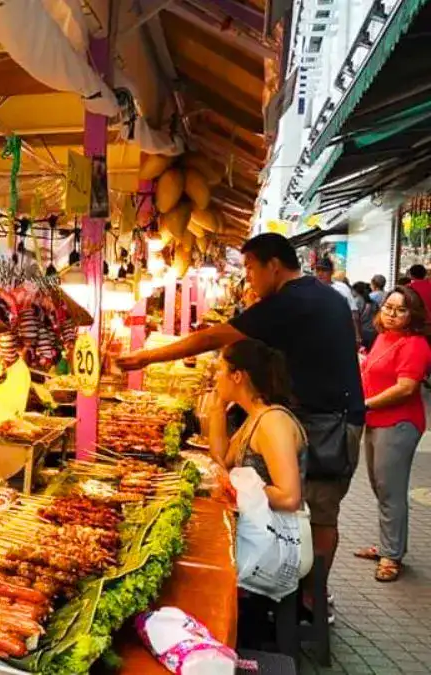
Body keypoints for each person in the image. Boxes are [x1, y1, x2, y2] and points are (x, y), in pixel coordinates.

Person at [118, 233, 363, 615]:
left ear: (274, 266)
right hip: (325, 415)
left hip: (330, 423)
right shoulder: (320, 295)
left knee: (319, 510)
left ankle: (312, 601)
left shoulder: (292, 300)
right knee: (311, 508)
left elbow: (216, 335)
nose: (247, 277)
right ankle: (301, 594)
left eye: (250, 268)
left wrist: (147, 358)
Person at [353, 286, 431, 582]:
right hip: (377, 421)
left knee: (391, 491)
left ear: (413, 314)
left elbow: (406, 387)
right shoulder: (385, 338)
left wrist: (365, 404)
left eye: (400, 310)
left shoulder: (414, 344)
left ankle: (391, 556)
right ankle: (390, 545)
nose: (391, 314)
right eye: (388, 307)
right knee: (382, 488)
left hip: (398, 424)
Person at [208, 339, 306, 512]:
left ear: (237, 376)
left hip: (275, 533)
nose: (215, 377)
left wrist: (235, 486)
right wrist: (217, 409)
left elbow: (289, 498)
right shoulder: (255, 416)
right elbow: (222, 460)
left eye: (220, 370)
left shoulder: (273, 422)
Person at [316, 259, 361, 345]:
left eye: (324, 270)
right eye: (318, 270)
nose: (320, 273)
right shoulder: (311, 289)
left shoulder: (342, 288)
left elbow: (353, 312)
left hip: (340, 336)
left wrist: (357, 335)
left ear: (332, 272)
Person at [353, 281, 379, 350]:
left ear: (356, 291)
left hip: (361, 333)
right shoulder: (374, 302)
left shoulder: (357, 301)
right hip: (373, 333)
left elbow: (355, 318)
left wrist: (357, 335)